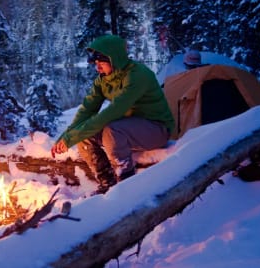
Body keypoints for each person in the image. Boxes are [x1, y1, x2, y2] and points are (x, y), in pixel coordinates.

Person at [51, 34, 175, 194]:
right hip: (130, 129)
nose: (97, 68)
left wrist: (71, 137)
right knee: (84, 136)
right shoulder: (103, 80)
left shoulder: (138, 75)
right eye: (95, 63)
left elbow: (113, 112)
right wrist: (66, 136)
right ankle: (107, 182)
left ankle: (126, 182)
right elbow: (87, 110)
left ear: (114, 59)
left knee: (111, 129)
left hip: (157, 129)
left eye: (101, 63)